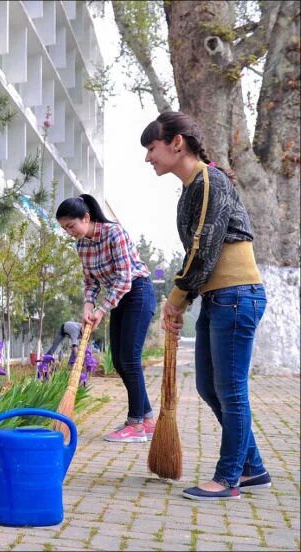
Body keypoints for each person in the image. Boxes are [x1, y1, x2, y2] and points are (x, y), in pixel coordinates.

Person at [141, 111, 268, 501]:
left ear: (176, 142)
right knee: (209, 386)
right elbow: (196, 251)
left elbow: (205, 246)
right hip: (219, 298)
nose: (148, 158)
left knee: (230, 390)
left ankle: (229, 478)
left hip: (236, 296)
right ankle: (253, 469)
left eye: (152, 147)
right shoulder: (192, 187)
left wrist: (177, 300)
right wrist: (183, 300)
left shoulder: (209, 179)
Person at [56, 194, 157, 443]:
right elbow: (90, 282)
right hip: (118, 299)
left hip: (138, 292)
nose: (69, 232)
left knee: (130, 359)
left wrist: (101, 310)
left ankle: (135, 424)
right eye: (64, 228)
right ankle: (147, 419)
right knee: (120, 361)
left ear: (87, 217)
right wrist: (88, 306)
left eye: (72, 225)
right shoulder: (81, 245)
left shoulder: (114, 234)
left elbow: (124, 278)